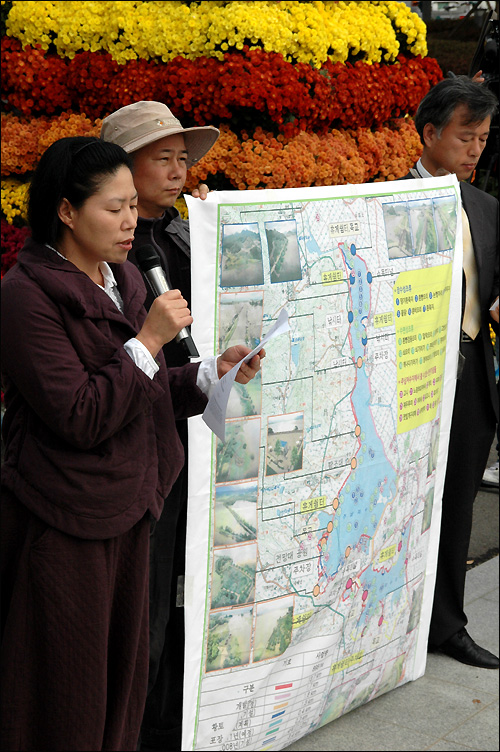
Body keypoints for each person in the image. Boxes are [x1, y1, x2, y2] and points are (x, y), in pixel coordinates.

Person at [0, 136, 263, 751]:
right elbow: (82, 414)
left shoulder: (123, 276)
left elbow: (140, 394)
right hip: (64, 518)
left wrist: (207, 374)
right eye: (112, 208)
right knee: (66, 688)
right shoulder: (25, 296)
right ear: (66, 211)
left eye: (129, 205)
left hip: (130, 505)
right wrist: (146, 342)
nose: (128, 222)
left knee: (122, 681)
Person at [100, 101, 221, 751]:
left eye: (183, 158)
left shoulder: (187, 231)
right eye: (162, 158)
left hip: (199, 419)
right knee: (142, 593)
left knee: (185, 584)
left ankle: (174, 716)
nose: (177, 171)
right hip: (141, 433)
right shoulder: (108, 256)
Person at [404, 76, 499, 669]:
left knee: (459, 502)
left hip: (469, 373)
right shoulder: (382, 200)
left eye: (484, 139)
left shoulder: (485, 207)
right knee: (400, 501)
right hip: (407, 377)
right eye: (465, 137)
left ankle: (448, 624)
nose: (475, 150)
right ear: (431, 133)